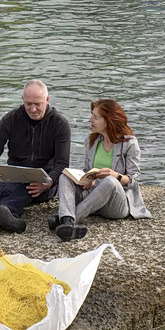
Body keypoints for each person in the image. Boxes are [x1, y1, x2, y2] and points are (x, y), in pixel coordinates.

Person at [50, 98, 151, 241]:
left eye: (95, 117)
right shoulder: (91, 141)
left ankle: (68, 220)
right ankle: (67, 220)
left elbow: (133, 181)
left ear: (109, 121)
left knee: (110, 181)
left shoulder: (129, 144)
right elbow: (87, 169)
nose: (90, 120)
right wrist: (88, 179)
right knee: (64, 176)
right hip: (93, 199)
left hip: (115, 205)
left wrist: (115, 175)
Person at [0, 80, 71, 233]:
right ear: (22, 99)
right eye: (28, 104)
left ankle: (3, 210)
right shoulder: (10, 119)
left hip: (45, 180)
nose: (33, 109)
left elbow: (62, 163)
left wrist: (48, 182)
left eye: (38, 104)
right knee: (7, 184)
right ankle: (10, 216)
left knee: (25, 188)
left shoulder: (60, 124)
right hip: (16, 176)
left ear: (47, 100)